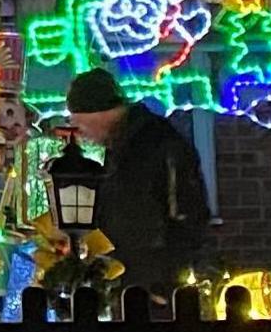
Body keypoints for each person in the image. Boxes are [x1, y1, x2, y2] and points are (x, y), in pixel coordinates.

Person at [64, 69, 212, 286]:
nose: (81, 134)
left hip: (153, 277)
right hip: (128, 274)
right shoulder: (120, 148)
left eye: (80, 124)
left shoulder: (155, 144)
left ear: (99, 113)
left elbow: (187, 213)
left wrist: (167, 280)